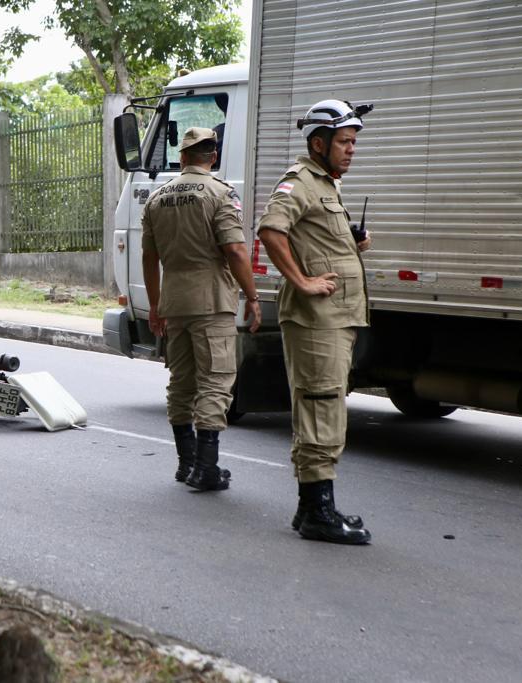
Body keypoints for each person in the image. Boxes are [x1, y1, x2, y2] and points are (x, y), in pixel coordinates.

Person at [257, 99, 374, 545]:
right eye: (345, 142)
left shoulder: (328, 185)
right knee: (321, 405)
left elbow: (316, 239)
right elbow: (271, 230)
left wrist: (353, 245)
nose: (352, 150)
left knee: (323, 404)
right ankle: (318, 513)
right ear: (319, 143)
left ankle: (311, 508)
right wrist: (303, 281)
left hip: (335, 318)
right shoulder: (300, 180)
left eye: (354, 142)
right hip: (316, 320)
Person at [142, 127, 262, 491]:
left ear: (182, 157)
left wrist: (154, 305)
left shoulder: (157, 197)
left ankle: (186, 463)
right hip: (211, 302)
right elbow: (236, 250)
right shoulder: (220, 193)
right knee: (215, 381)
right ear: (213, 156)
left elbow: (150, 258)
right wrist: (253, 297)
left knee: (181, 383)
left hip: (173, 303)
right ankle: (206, 469)